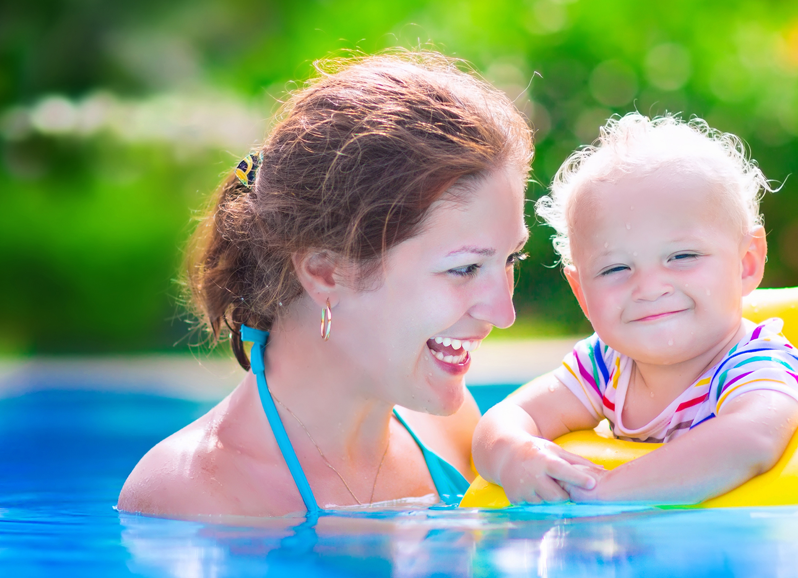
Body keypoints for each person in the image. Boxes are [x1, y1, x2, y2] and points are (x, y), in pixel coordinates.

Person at [118, 52, 536, 517]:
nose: (504, 312)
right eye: (464, 268)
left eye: (511, 258)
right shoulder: (193, 495)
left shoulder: (455, 432)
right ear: (325, 272)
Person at [472, 113, 798, 505]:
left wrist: (601, 496)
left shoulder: (759, 366)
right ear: (581, 291)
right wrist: (516, 455)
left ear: (747, 262)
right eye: (616, 268)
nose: (649, 288)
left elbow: (749, 439)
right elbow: (501, 422)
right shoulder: (604, 365)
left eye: (682, 256)